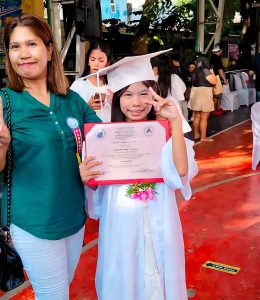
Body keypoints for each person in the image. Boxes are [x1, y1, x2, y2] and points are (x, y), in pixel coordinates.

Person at [0, 14, 100, 299]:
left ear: (49, 49)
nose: (24, 54)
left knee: (61, 287)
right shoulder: (1, 103)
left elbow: (104, 141)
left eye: (31, 44)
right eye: (15, 47)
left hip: (73, 217)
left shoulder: (72, 101)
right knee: (53, 294)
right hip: (32, 221)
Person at [79, 51, 198, 300]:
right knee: (123, 275)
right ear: (116, 98)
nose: (136, 103)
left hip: (159, 218)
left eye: (144, 93)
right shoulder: (101, 138)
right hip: (120, 223)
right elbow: (94, 189)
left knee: (160, 272)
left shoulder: (164, 133)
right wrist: (85, 176)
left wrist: (176, 123)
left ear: (154, 95)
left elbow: (182, 170)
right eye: (128, 95)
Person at [70, 40, 113, 122]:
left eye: (101, 60)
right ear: (88, 61)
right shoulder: (78, 85)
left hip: (110, 130)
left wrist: (116, 102)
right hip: (87, 131)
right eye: (92, 59)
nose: (96, 64)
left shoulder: (113, 84)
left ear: (108, 63)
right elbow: (68, 112)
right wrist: (87, 107)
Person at [158, 55, 191, 130]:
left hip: (160, 104)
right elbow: (182, 89)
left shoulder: (156, 78)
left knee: (163, 128)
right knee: (176, 128)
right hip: (173, 104)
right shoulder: (174, 77)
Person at [189, 55, 217, 142]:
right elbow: (214, 81)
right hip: (204, 93)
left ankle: (196, 134)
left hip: (195, 92)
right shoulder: (206, 71)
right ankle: (203, 137)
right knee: (204, 117)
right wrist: (212, 72)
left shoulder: (194, 71)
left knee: (197, 115)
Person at [209, 43, 228, 115]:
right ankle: (215, 110)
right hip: (217, 78)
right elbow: (220, 69)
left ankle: (217, 109)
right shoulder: (217, 58)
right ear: (220, 50)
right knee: (217, 95)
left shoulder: (212, 57)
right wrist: (224, 79)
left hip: (212, 77)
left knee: (217, 94)